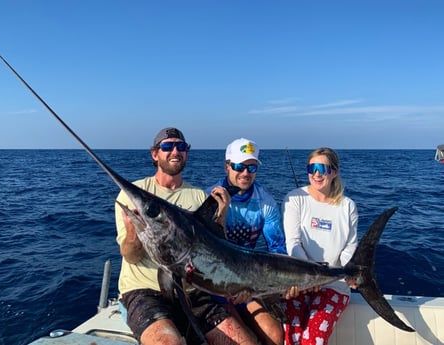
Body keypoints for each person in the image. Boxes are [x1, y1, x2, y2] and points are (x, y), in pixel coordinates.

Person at [115, 127, 260, 345]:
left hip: (192, 293)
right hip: (145, 293)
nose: (175, 151)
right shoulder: (132, 192)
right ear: (155, 154)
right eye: (167, 146)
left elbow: (216, 254)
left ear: (186, 153)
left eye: (181, 146)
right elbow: (131, 257)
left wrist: (221, 218)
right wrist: (134, 232)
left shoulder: (199, 196)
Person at [206, 138, 287, 345]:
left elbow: (276, 249)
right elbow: (207, 251)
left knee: (276, 335)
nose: (245, 173)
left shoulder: (265, 202)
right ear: (227, 167)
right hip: (215, 285)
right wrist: (220, 215)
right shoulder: (209, 197)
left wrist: (285, 282)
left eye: (251, 167)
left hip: (249, 284)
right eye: (239, 166)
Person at [282, 147, 358, 345]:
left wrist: (350, 273)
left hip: (334, 284)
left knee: (311, 340)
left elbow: (350, 247)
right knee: (291, 338)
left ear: (333, 172)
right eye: (312, 168)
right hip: (298, 282)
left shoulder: (347, 206)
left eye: (322, 168)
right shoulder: (294, 199)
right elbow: (293, 243)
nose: (316, 173)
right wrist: (310, 276)